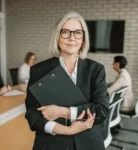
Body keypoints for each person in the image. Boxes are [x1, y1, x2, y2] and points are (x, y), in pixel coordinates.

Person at [25, 11, 109, 150]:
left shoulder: (95, 70)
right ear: (57, 36)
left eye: (77, 32)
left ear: (83, 39)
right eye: (65, 32)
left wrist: (62, 111)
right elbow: (32, 115)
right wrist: (69, 130)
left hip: (88, 143)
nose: (72, 38)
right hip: (51, 144)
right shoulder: (38, 70)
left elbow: (102, 111)